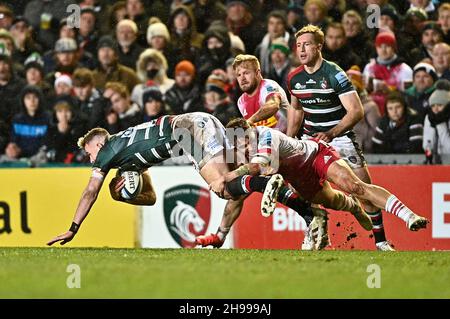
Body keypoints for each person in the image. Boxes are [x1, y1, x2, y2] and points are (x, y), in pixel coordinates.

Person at [46, 112, 312, 246]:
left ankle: (269, 182)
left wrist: (73, 227)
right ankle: (306, 211)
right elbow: (151, 198)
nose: (91, 159)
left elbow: (90, 192)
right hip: (199, 123)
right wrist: (128, 193)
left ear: (98, 142)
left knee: (221, 188)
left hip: (186, 131)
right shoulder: (126, 154)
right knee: (236, 187)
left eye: (88, 152)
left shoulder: (107, 151)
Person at [197, 118, 428, 248]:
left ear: (251, 130)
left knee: (355, 186)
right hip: (297, 178)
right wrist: (221, 181)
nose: (245, 147)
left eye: (246, 141)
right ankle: (354, 207)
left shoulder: (265, 136)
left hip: (315, 156)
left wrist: (226, 177)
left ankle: (409, 216)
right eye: (240, 145)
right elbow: (242, 180)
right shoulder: (236, 151)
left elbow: (256, 167)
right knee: (335, 202)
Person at [286, 24, 398, 251]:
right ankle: (315, 235)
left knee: (363, 190)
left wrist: (331, 133)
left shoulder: (334, 74)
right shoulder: (294, 79)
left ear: (319, 46)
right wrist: (289, 141)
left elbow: (356, 111)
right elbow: (296, 110)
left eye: (307, 44)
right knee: (308, 193)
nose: (302, 49)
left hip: (340, 138)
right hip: (311, 142)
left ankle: (381, 242)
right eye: (298, 45)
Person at [233, 54, 289, 133]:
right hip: (263, 143)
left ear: (257, 73)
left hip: (286, 140)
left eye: (246, 73)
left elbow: (273, 105)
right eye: (239, 75)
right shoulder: (241, 101)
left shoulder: (268, 85)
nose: (242, 78)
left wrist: (250, 121)